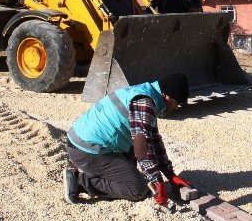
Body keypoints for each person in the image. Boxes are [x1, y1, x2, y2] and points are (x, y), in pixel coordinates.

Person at [63, 73, 193, 207]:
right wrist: (157, 181)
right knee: (137, 189)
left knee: (137, 171)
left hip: (87, 141)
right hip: (86, 150)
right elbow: (142, 150)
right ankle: (79, 181)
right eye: (175, 104)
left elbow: (153, 141)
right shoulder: (145, 104)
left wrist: (170, 174)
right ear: (167, 96)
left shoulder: (147, 93)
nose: (175, 108)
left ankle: (105, 174)